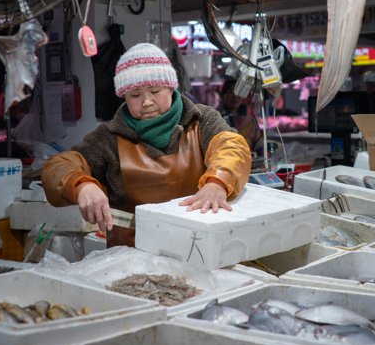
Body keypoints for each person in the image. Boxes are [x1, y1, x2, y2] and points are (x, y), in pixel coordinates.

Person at [42, 43, 251, 233]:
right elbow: (58, 165)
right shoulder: (108, 139)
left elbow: (232, 147)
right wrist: (81, 185)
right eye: (135, 95)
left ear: (171, 87)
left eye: (154, 91)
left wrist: (218, 182)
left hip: (200, 243)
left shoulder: (202, 119)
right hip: (134, 256)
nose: (147, 102)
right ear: (124, 96)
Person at [216, 78, 262, 152]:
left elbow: (259, 145)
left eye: (239, 93)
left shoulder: (250, 120)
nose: (235, 96)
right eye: (232, 92)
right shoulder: (214, 118)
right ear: (223, 95)